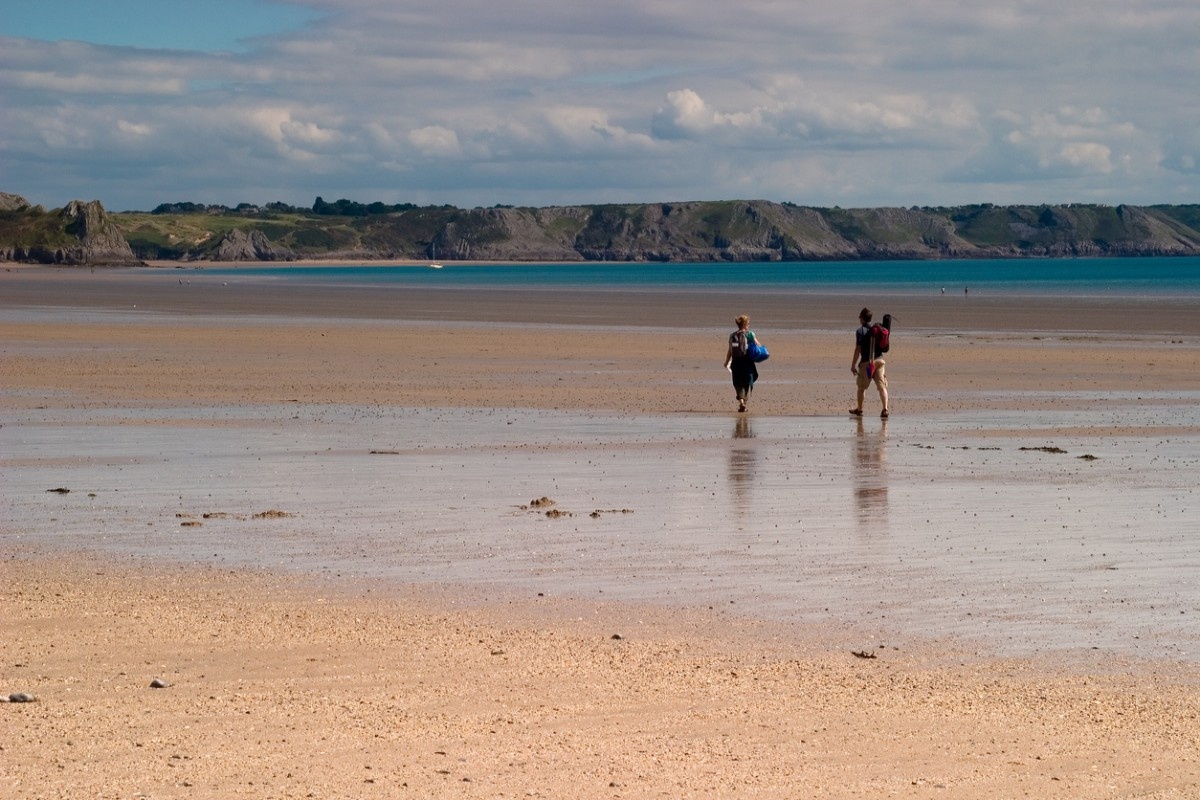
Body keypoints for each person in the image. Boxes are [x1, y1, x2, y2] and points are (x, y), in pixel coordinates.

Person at [849, 307, 889, 419]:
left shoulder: (860, 331)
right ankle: (885, 409)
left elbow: (858, 349)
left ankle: (860, 409)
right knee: (882, 387)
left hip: (868, 363)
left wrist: (853, 365)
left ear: (862, 318)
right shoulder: (876, 330)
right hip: (880, 361)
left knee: (862, 387)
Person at [723, 314, 762, 413]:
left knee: (737, 382)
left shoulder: (732, 335)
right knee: (747, 382)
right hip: (747, 362)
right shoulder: (750, 334)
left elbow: (730, 351)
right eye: (748, 323)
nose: (749, 325)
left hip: (736, 362)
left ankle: (741, 402)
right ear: (744, 324)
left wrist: (726, 362)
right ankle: (743, 402)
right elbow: (759, 345)